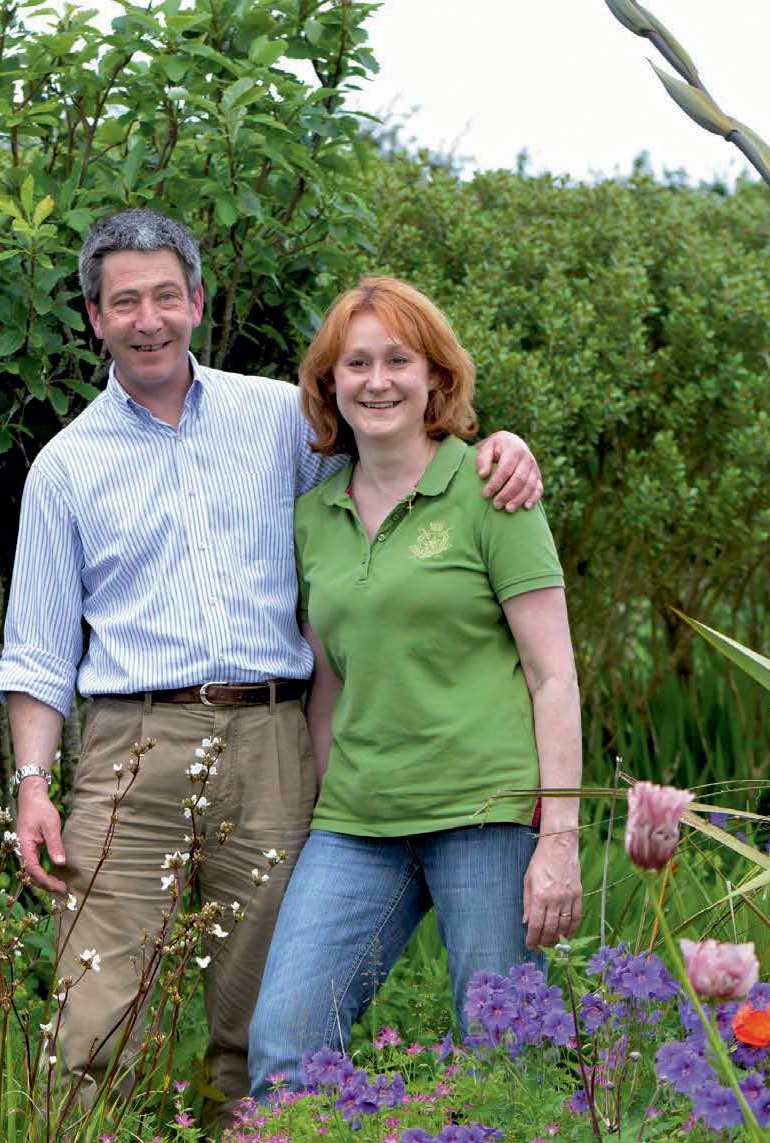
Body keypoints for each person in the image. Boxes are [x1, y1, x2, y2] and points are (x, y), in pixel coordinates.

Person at [0, 212, 544, 1130]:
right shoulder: (65, 467)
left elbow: (400, 453)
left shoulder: (279, 419)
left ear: (198, 302)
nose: (149, 318)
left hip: (274, 741)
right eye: (124, 301)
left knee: (263, 1018)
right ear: (94, 318)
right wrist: (34, 783)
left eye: (167, 295)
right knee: (95, 1014)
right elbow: (38, 650)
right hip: (131, 749)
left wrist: (501, 445)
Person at [246, 277, 583, 1097]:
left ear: (436, 374)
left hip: (486, 815)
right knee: (286, 1044)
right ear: (329, 386)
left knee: (507, 1063)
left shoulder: (493, 491)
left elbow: (553, 673)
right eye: (354, 363)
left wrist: (560, 839)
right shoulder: (313, 516)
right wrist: (332, 798)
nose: (377, 379)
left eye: (398, 358)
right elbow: (328, 684)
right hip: (358, 824)